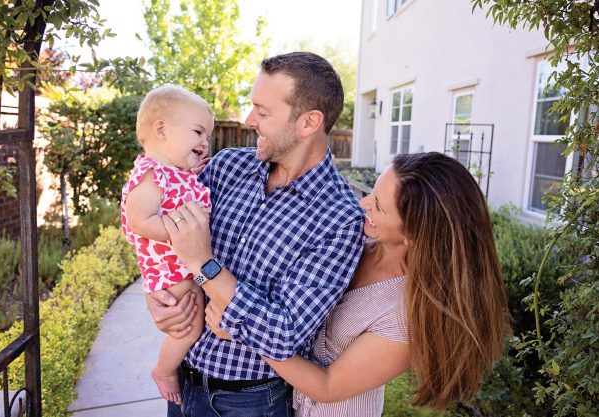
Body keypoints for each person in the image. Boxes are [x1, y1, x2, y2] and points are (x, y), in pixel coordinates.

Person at [185, 152, 512, 416]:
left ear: (414, 234)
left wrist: (244, 329)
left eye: (378, 207)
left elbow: (327, 385)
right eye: (372, 191)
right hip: (284, 400)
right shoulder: (357, 242)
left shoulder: (406, 314)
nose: (362, 204)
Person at [147, 52, 365, 416]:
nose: (249, 121)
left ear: (309, 122)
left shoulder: (339, 219)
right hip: (184, 387)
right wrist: (160, 300)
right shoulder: (226, 167)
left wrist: (204, 264)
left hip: (250, 403)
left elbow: (285, 334)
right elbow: (163, 235)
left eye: (263, 112)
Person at [120, 85, 214, 405]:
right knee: (188, 326)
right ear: (161, 129)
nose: (204, 142)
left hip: (180, 265)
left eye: (207, 135)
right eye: (198, 132)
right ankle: (164, 369)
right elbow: (140, 220)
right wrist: (184, 232)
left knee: (199, 314)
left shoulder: (176, 173)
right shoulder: (149, 175)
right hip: (168, 270)